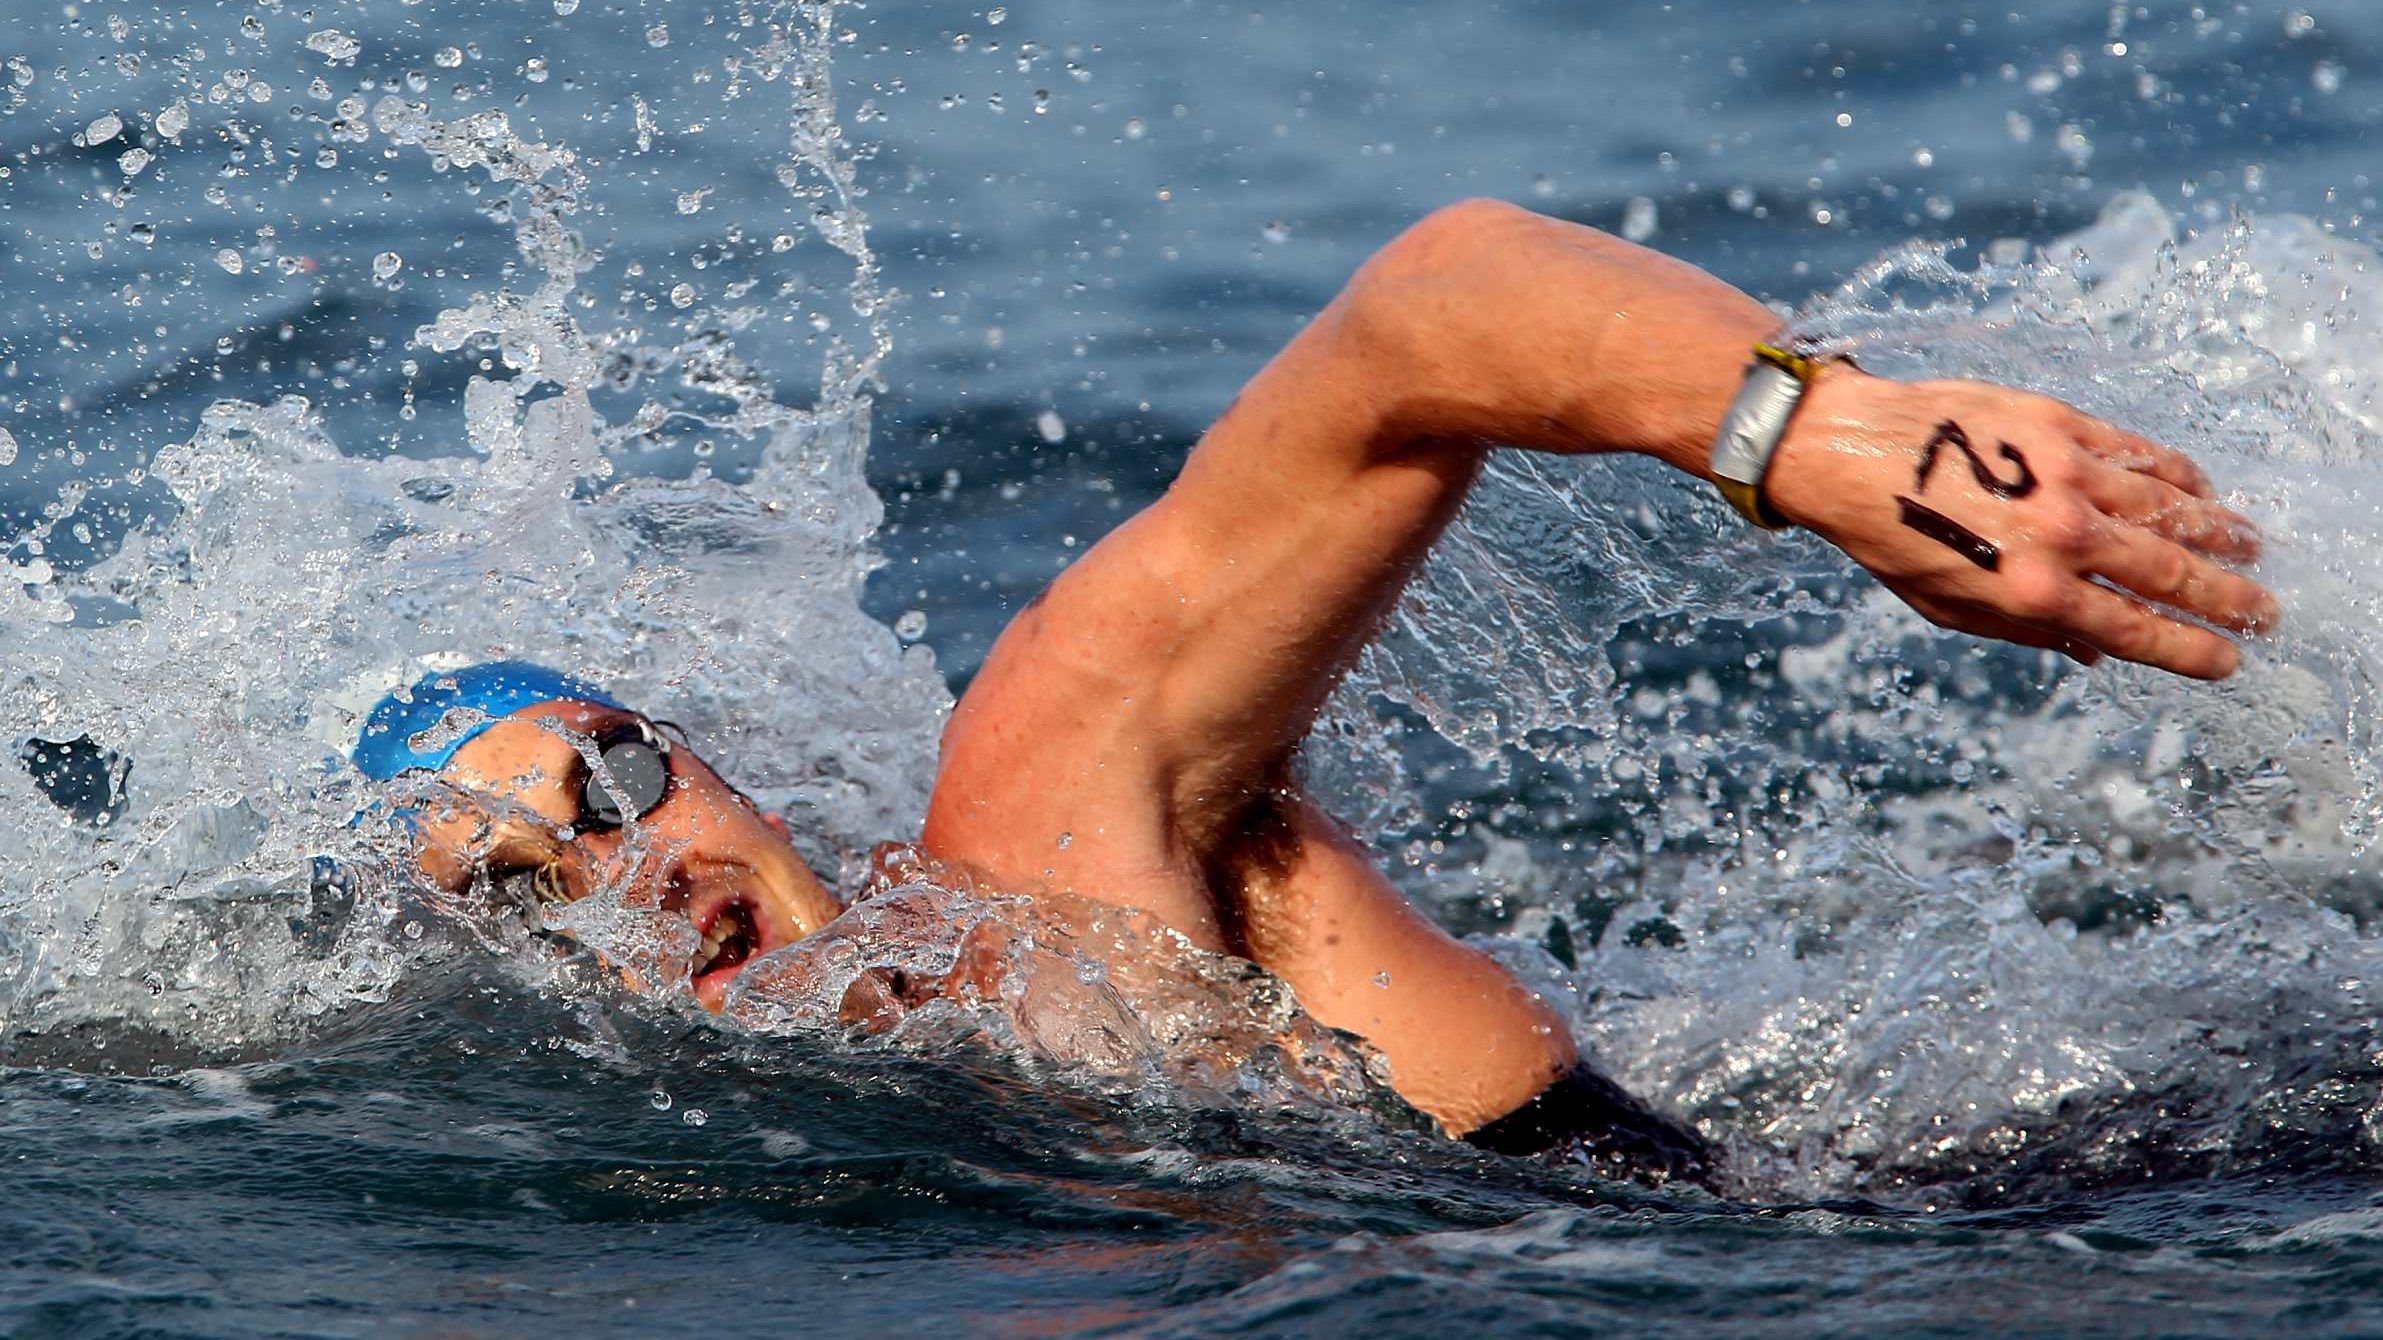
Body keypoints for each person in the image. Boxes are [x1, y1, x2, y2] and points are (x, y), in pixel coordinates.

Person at [353, 200, 2276, 1178]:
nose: (625, 871)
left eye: (607, 786)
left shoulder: (1038, 844)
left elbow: (1433, 306)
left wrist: (1827, 440)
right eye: (523, 888)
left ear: (704, 761)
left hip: (2047, 1223)